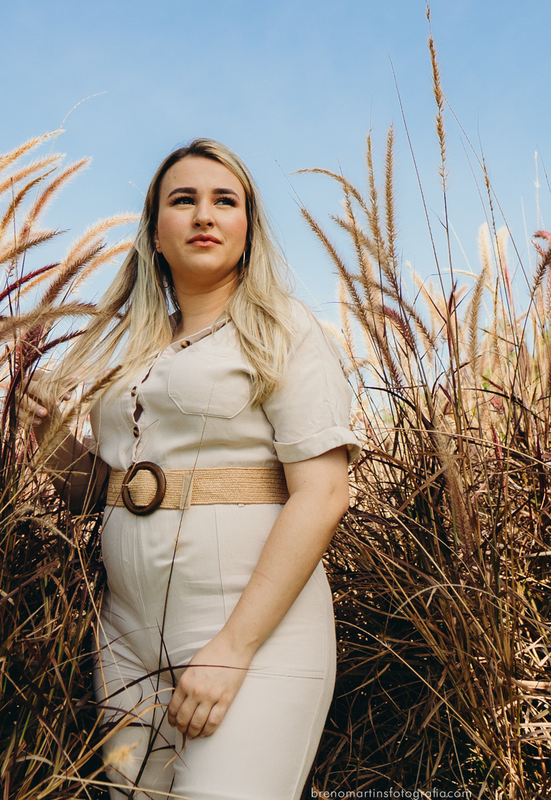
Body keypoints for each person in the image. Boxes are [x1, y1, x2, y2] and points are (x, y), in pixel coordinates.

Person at [24, 139, 359, 799]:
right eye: (184, 200)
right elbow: (102, 493)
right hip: (124, 638)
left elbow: (322, 495)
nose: (204, 214)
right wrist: (47, 433)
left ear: (247, 227)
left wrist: (233, 649)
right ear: (156, 232)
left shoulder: (283, 330)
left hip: (250, 632)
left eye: (224, 201)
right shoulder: (131, 354)